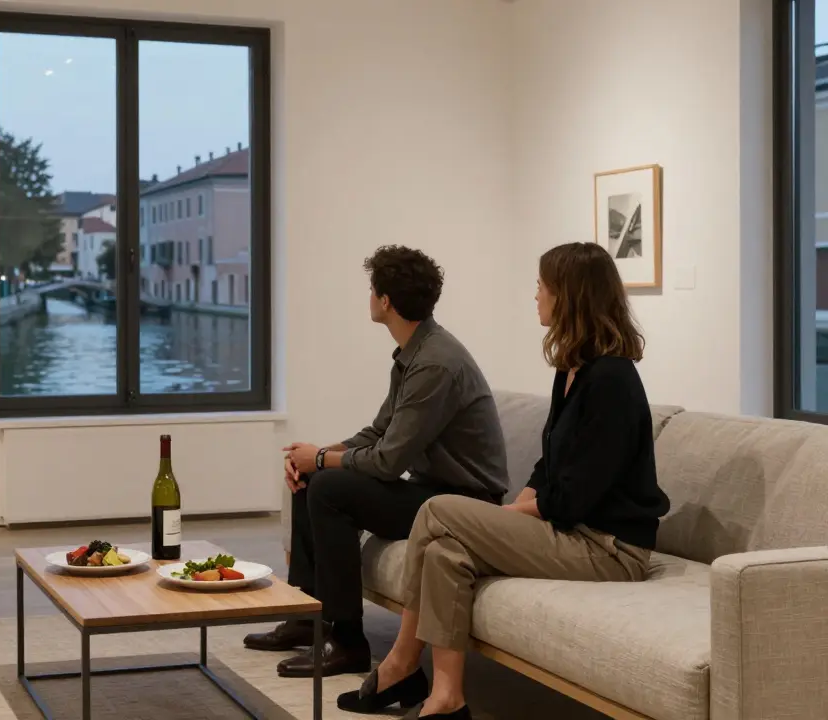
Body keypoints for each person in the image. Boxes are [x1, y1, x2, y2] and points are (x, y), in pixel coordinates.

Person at [338, 242, 672, 719]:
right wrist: (520, 505)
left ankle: (401, 662)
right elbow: (549, 466)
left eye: (542, 285)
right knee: (443, 551)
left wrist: (505, 515)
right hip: (573, 531)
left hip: (610, 548)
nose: (535, 294)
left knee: (437, 510)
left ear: (569, 295)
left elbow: (574, 498)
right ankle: (447, 699)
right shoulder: (572, 370)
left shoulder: (613, 380)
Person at [243, 245, 510, 679]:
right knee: (316, 479)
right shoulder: (415, 353)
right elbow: (379, 431)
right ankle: (307, 616)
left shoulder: (436, 364)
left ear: (385, 301)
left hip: (464, 504)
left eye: (372, 289)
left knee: (329, 487)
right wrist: (315, 457)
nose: (369, 296)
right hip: (433, 492)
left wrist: (324, 461)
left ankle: (348, 641)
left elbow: (387, 462)